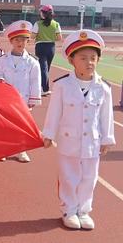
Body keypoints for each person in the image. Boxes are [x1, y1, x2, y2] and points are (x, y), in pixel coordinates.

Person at [42, 30, 115, 230]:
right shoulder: (63, 86)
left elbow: (106, 116)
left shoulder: (104, 88)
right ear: (72, 60)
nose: (89, 62)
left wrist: (107, 139)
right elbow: (54, 112)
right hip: (69, 141)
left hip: (92, 141)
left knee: (89, 178)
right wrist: (48, 134)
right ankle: (68, 209)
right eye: (83, 58)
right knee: (68, 177)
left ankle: (84, 210)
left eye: (93, 58)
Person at [0, 20, 41, 162]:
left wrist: (33, 99)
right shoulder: (2, 60)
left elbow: (35, 81)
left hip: (23, 99)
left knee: (22, 126)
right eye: (17, 40)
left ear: (28, 42)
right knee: (5, 125)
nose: (20, 43)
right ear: (11, 41)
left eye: (23, 40)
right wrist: (0, 82)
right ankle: (3, 150)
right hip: (6, 100)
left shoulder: (32, 62)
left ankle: (22, 150)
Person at [32, 5, 62, 96]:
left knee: (43, 68)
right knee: (47, 68)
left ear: (43, 14)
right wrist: (50, 37)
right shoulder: (56, 24)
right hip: (51, 47)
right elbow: (59, 38)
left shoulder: (38, 24)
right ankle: (45, 87)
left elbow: (33, 36)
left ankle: (44, 89)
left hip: (41, 46)